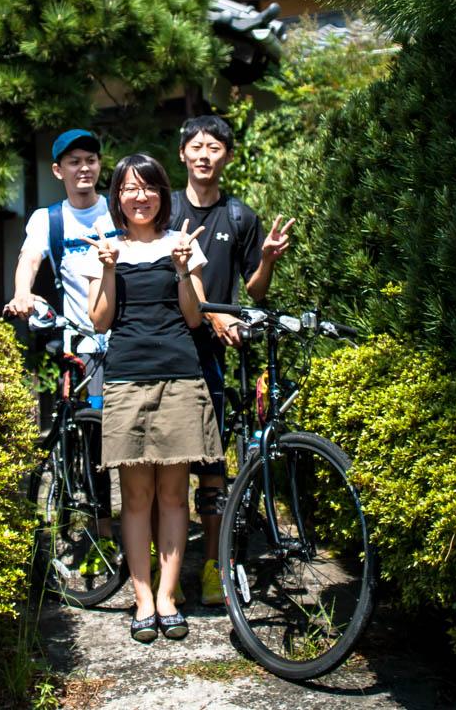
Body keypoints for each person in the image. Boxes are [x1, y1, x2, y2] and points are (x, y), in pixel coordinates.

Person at [81, 154, 223, 643]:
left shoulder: (181, 243)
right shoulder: (105, 248)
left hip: (180, 376)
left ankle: (166, 597)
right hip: (126, 379)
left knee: (174, 496)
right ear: (117, 196)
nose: (139, 196)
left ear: (163, 193)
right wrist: (107, 269)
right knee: (136, 497)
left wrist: (183, 268)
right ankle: (142, 599)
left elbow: (194, 317)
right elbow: (100, 320)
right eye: (129, 188)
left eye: (149, 188)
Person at [170, 114, 294, 605]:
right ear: (182, 152)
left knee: (212, 463)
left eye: (215, 148)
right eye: (197, 146)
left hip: (215, 353)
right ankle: (165, 565)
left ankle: (213, 565)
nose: (205, 155)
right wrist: (214, 313)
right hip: (168, 345)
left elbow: (255, 292)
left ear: (228, 156)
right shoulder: (165, 208)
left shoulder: (239, 216)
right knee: (166, 462)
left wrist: (266, 261)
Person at [6, 127, 120, 571]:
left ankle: (128, 531)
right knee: (88, 440)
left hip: (125, 339)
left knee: (127, 439)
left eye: (90, 159)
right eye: (74, 162)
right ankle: (98, 533)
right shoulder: (47, 219)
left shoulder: (117, 210)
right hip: (80, 344)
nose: (84, 168)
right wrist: (22, 293)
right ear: (58, 171)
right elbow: (29, 260)